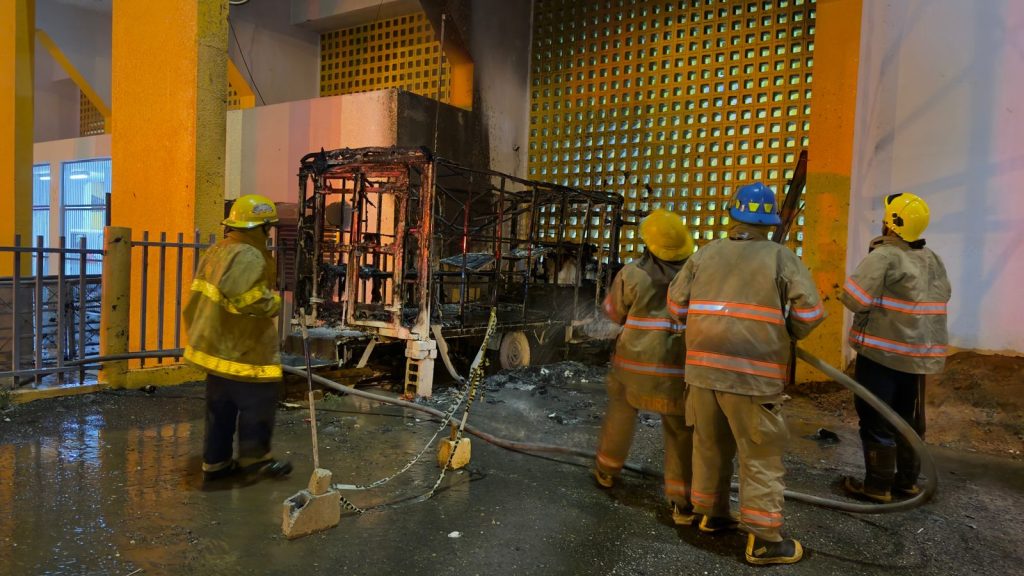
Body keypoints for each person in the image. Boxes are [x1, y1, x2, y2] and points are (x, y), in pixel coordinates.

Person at [667, 182, 825, 565]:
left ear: (732, 215)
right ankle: (765, 540)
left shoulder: (704, 255)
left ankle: (712, 515)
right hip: (752, 377)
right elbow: (810, 313)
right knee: (760, 454)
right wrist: (786, 334)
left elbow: (675, 306)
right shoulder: (781, 258)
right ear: (769, 223)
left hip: (702, 373)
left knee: (710, 445)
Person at [840, 192, 950, 502]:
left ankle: (877, 486)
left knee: (876, 416)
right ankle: (907, 481)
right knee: (908, 418)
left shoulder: (885, 256)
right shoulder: (932, 259)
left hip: (881, 355)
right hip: (917, 359)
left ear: (893, 223)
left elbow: (854, 298)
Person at [593, 209, 696, 526]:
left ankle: (607, 471)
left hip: (632, 366)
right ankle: (682, 502)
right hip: (676, 368)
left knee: (621, 416)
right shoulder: (694, 276)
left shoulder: (631, 273)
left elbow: (613, 312)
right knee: (680, 431)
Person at [183, 194, 293, 484]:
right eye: (266, 227)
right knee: (259, 403)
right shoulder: (248, 254)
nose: (268, 233)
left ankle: (215, 463)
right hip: (241, 349)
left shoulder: (220, 249)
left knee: (220, 410)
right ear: (256, 227)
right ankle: (255, 462)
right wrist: (276, 303)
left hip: (216, 347)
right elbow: (248, 299)